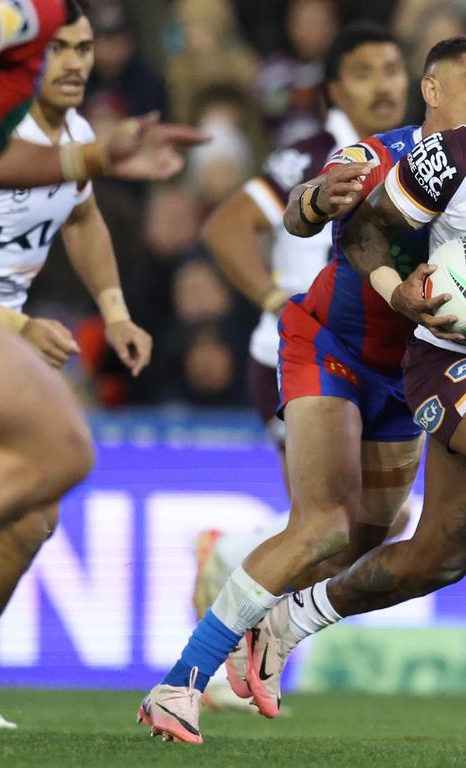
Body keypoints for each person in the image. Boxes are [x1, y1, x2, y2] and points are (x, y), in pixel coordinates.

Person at [186, 30, 466, 750]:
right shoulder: (458, 156)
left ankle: (290, 621)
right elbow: (367, 229)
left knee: (438, 557)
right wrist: (394, 291)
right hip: (447, 361)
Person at [137, 34, 466, 744]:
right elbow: (309, 204)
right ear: (432, 90)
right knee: (324, 526)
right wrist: (314, 200)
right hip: (327, 347)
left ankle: (264, 623)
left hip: (407, 379)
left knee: (376, 534)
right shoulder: (380, 153)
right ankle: (179, 684)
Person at [0, 0, 202, 748]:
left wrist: (115, 310)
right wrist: (13, 323)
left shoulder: (78, 133)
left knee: (33, 510)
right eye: (58, 48)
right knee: (34, 495)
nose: (75, 62)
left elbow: (81, 217)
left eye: (85, 48)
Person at [195, 21, 409, 710]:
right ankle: (233, 589)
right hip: (303, 352)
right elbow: (227, 224)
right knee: (330, 521)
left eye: (393, 69)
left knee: (375, 527)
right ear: (335, 88)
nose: (384, 84)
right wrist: (266, 294)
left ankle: (239, 567)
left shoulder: (419, 157)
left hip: (376, 359)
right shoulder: (311, 154)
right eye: (366, 71)